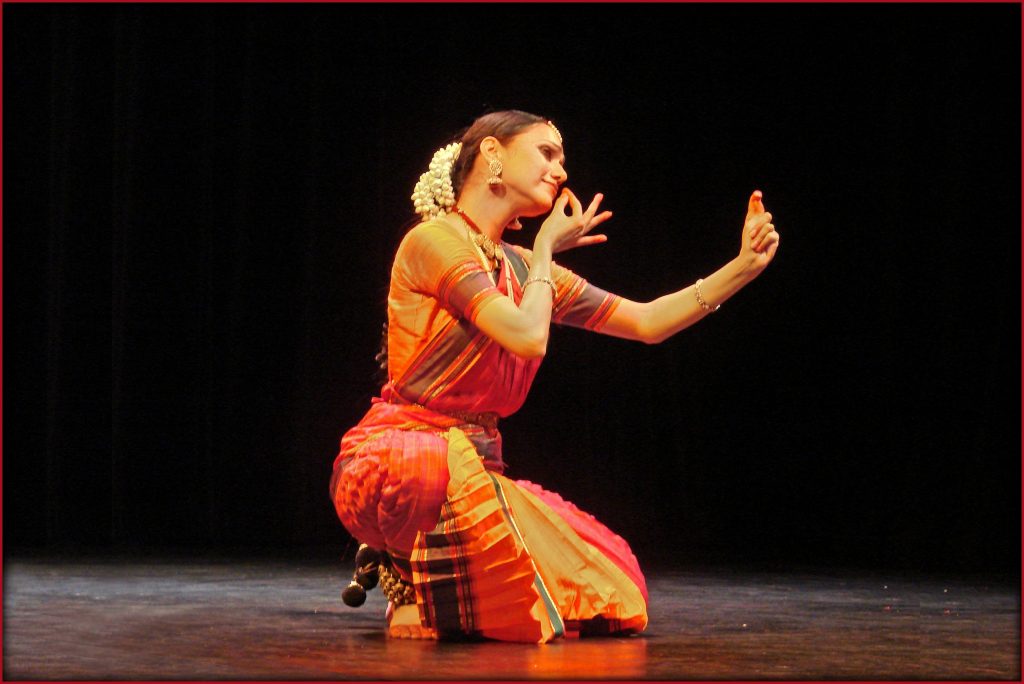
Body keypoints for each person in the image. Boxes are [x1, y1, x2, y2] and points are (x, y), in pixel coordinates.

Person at [329, 109, 780, 643]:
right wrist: (544, 248)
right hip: (396, 461)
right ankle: (406, 575)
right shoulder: (433, 242)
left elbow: (647, 322)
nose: (561, 171)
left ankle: (428, 578)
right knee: (429, 468)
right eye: (547, 153)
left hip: (477, 471)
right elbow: (527, 336)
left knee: (614, 581)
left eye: (561, 159)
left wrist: (743, 267)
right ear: (492, 154)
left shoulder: (522, 268)